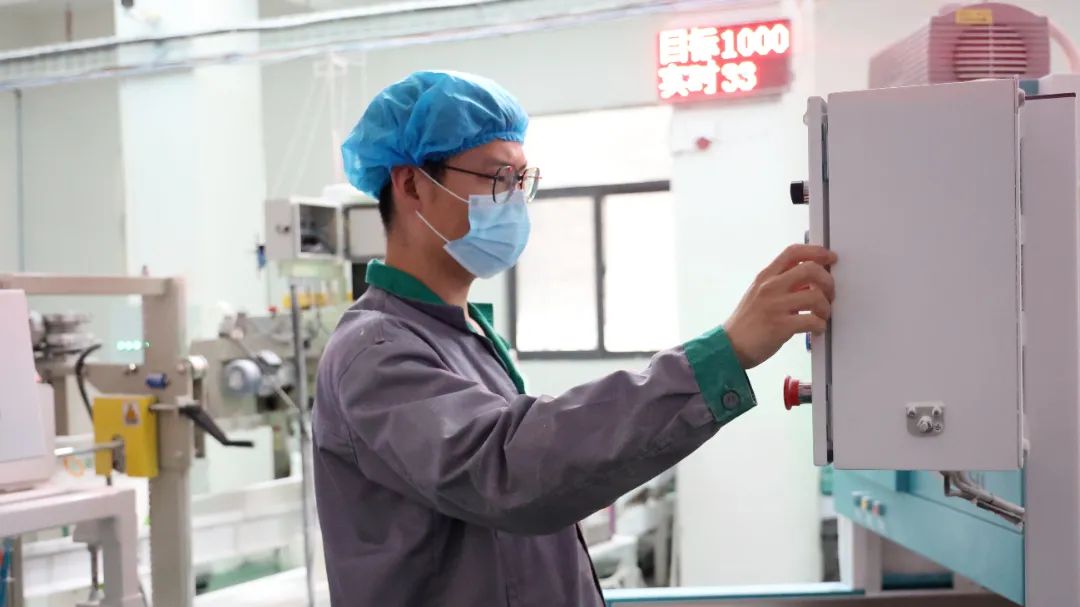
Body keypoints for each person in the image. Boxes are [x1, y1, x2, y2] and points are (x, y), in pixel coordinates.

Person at [312, 70, 836, 607]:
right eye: (497, 178)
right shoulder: (376, 352)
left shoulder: (463, 335)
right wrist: (722, 355)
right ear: (411, 184)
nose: (515, 200)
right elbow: (509, 470)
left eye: (522, 180)